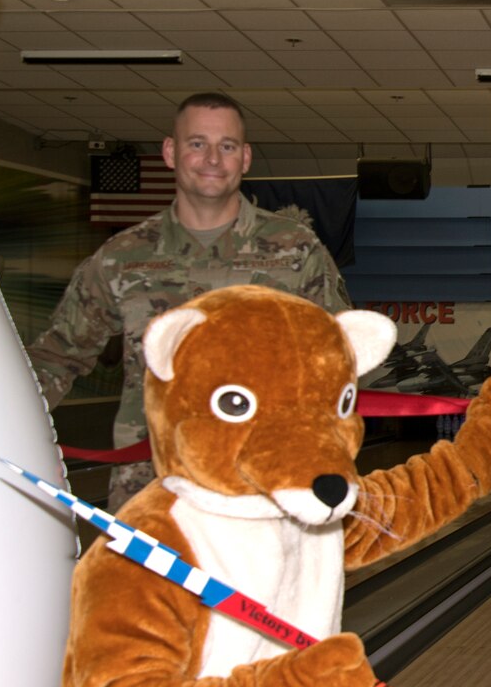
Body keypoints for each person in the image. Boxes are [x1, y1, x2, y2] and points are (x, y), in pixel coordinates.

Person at [26, 92, 349, 507]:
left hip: (263, 488)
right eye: (197, 144)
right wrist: (14, 431)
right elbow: (57, 357)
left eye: (226, 146)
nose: (212, 158)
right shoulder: (121, 257)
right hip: (152, 486)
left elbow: (340, 357)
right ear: (170, 152)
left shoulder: (296, 251)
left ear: (245, 158)